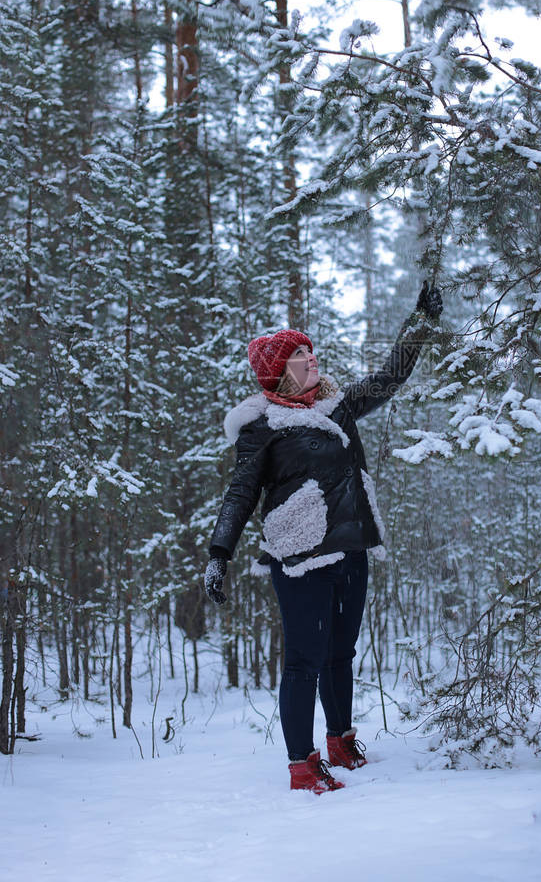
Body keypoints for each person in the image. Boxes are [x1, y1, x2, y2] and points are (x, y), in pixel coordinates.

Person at [203, 280, 443, 793]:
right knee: (304, 661)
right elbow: (240, 494)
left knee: (341, 652)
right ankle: (302, 764)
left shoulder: (337, 406)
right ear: (278, 371)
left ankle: (340, 739)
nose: (312, 359)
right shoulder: (262, 427)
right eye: (300, 355)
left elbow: (389, 377)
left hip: (351, 547)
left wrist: (419, 323)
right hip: (300, 557)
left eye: (311, 351)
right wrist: (219, 554)